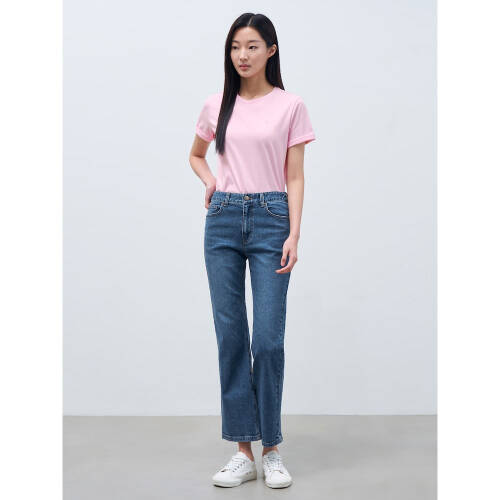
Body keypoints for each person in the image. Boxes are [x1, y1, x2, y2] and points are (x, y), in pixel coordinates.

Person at [189, 12, 315, 489]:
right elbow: (196, 155)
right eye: (235, 47)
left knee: (267, 339)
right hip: (223, 219)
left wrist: (294, 232)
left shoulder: (290, 106)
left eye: (252, 46)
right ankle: (242, 451)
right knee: (231, 336)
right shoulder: (216, 103)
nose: (242, 55)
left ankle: (273, 449)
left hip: (271, 219)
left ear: (271, 51)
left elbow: (295, 175)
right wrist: (210, 181)